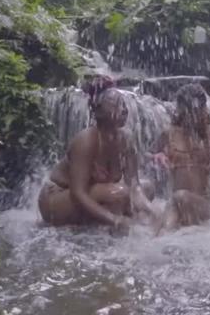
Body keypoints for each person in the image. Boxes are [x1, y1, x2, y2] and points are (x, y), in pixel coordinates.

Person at [38, 76, 152, 230]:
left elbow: (134, 186)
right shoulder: (86, 140)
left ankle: (105, 222)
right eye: (116, 105)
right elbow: (78, 193)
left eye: (124, 105)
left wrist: (153, 213)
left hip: (92, 194)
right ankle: (107, 226)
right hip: (58, 198)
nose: (124, 110)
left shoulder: (127, 140)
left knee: (147, 188)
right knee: (119, 193)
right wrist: (114, 220)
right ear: (98, 112)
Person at [153, 83, 210, 231]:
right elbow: (147, 154)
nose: (192, 116)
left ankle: (162, 241)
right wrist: (158, 155)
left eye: (196, 110)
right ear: (180, 111)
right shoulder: (168, 134)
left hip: (207, 205)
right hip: (179, 203)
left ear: (203, 109)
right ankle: (159, 244)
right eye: (187, 111)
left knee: (179, 198)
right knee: (170, 211)